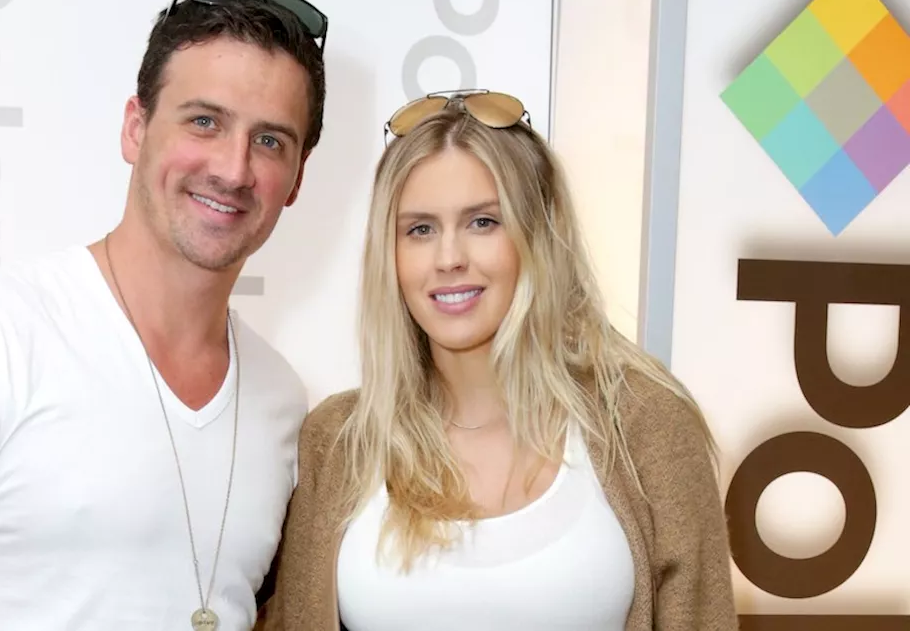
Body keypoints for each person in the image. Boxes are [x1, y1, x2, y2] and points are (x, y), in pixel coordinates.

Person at [0, 0, 328, 631]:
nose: (233, 168)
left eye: (269, 141)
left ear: (296, 179)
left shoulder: (281, 399)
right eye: (204, 121)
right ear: (135, 128)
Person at [255, 91, 738, 630]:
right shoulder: (338, 440)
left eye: (483, 222)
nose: (449, 258)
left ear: (539, 233)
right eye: (420, 229)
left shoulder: (647, 424)